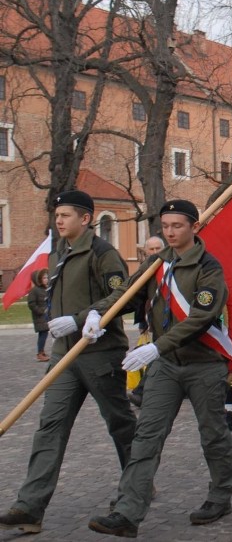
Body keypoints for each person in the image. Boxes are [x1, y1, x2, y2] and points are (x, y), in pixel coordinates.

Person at [87, 200, 232, 538]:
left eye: (177, 226)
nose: (170, 232)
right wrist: (95, 313)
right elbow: (126, 294)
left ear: (194, 228)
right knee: (146, 437)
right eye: (165, 225)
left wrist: (157, 346)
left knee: (213, 434)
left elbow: (201, 318)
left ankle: (220, 494)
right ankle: (128, 511)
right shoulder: (157, 263)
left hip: (203, 365)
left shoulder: (208, 268)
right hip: (167, 367)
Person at [0, 191, 135, 536]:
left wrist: (81, 318)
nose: (58, 221)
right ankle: (30, 506)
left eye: (65, 215)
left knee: (120, 423)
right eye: (57, 215)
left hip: (99, 354)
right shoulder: (58, 251)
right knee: (50, 426)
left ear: (85, 218)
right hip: (64, 355)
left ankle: (137, 486)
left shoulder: (103, 253)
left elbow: (123, 297)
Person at [127, 235, 167, 408]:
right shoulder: (145, 270)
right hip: (157, 323)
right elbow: (137, 298)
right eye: (151, 249)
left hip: (175, 324)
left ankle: (142, 392)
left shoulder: (171, 266)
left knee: (160, 357)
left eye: (158, 248)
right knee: (159, 357)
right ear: (145, 251)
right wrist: (142, 323)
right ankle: (142, 392)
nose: (155, 252)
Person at [27, 268, 50, 362]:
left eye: (47, 278)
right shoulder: (35, 290)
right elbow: (31, 304)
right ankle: (40, 353)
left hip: (46, 316)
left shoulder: (45, 289)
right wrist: (41, 311)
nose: (46, 279)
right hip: (40, 317)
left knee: (44, 333)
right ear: (39, 279)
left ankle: (41, 352)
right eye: (44, 278)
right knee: (43, 334)